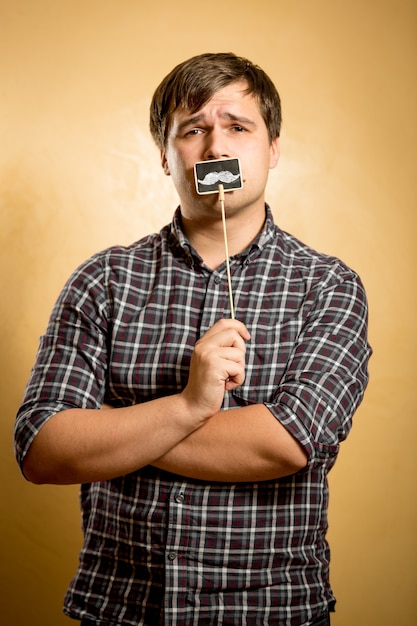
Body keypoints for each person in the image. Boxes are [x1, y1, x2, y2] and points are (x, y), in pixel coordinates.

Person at [14, 52, 371, 626]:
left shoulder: (328, 287)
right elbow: (44, 448)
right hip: (121, 610)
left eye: (237, 126)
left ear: (272, 148)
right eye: (193, 130)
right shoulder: (104, 279)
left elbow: (285, 443)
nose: (215, 148)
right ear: (165, 156)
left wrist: (115, 433)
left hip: (272, 611)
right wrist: (186, 407)